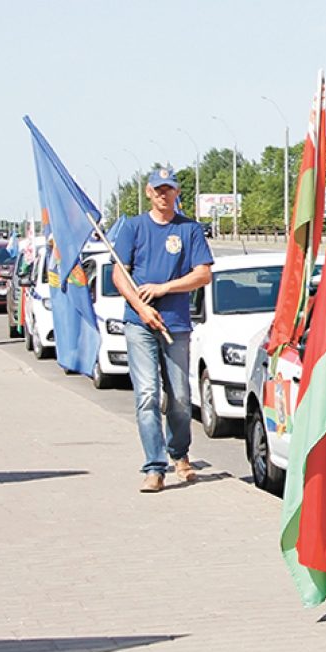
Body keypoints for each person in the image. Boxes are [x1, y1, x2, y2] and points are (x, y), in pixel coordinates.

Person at [113, 168, 213, 493]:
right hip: (139, 324)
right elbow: (119, 274)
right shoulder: (133, 227)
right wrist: (141, 307)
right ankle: (154, 467)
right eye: (158, 189)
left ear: (176, 192)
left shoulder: (190, 230)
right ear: (148, 192)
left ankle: (179, 453)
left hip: (176, 324)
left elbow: (202, 275)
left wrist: (163, 289)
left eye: (168, 189)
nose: (163, 195)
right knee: (147, 396)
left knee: (181, 397)